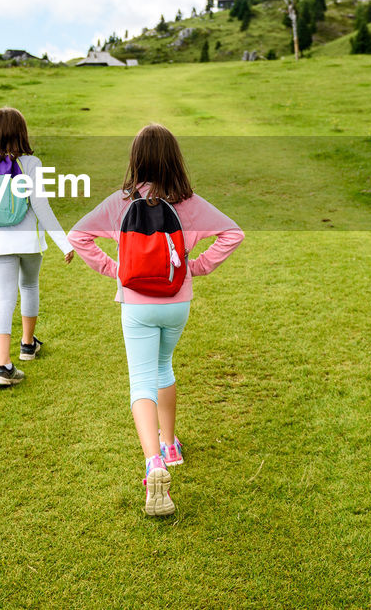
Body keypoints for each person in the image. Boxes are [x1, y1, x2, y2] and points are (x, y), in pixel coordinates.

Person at [68, 124, 243, 516]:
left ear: (136, 160)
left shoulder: (120, 203)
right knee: (164, 365)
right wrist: (197, 266)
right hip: (176, 302)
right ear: (174, 160)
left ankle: (154, 463)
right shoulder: (190, 204)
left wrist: (114, 268)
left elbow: (79, 235)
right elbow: (233, 233)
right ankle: (170, 444)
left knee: (141, 379)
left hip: (137, 304)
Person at [0, 107, 73, 387]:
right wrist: (63, 242)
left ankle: (3, 366)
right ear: (22, 132)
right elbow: (41, 206)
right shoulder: (31, 164)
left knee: (4, 297)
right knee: (29, 286)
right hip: (28, 241)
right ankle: (28, 345)